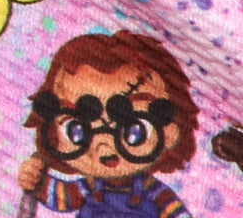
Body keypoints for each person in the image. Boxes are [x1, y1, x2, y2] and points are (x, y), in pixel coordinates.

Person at [18, 30, 197, 217]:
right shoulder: (89, 185)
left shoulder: (153, 191)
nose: (105, 148)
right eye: (78, 131)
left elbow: (176, 212)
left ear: (170, 132)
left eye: (133, 131)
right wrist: (37, 181)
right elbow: (62, 198)